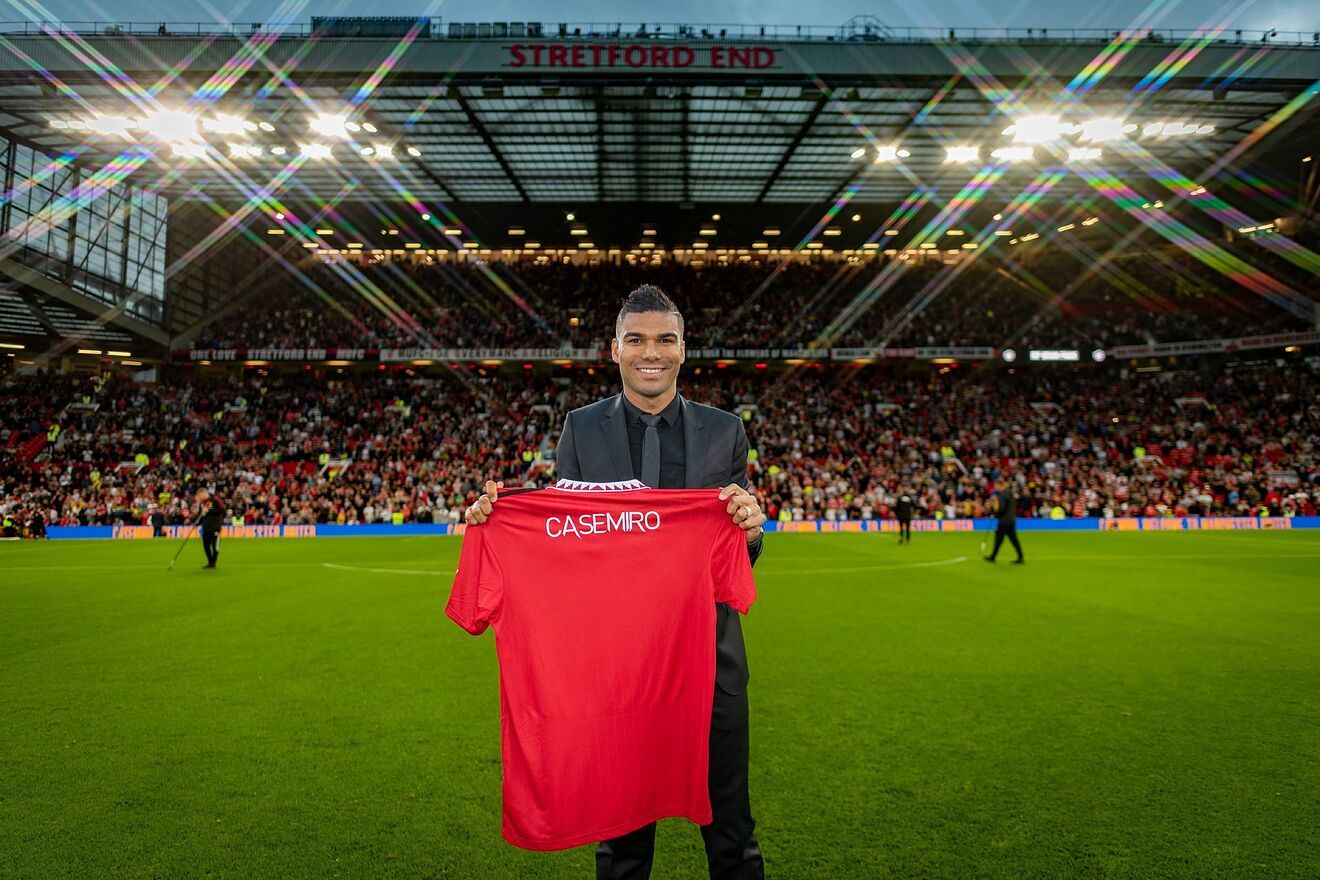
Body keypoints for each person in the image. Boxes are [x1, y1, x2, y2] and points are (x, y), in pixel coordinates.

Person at [465, 284, 767, 880]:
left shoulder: (726, 430)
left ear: (684, 349)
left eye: (665, 340)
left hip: (709, 663)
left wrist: (751, 531)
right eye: (637, 340)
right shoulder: (580, 429)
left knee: (732, 832)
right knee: (622, 844)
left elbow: (733, 552)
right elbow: (567, 540)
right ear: (615, 349)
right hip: (616, 676)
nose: (651, 352)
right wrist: (495, 519)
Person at [984, 478, 1024, 564]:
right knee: (1013, 539)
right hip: (1011, 519)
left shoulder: (1002, 495)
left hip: (1004, 521)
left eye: (996, 486)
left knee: (999, 538)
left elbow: (1001, 509)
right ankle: (1020, 557)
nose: (995, 488)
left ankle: (993, 557)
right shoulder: (1009, 493)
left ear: (1000, 485)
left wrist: (994, 512)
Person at [199, 492, 225, 569]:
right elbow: (201, 515)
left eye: (200, 496)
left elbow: (222, 510)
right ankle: (210, 562)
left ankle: (213, 562)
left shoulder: (215, 500)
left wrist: (209, 511)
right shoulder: (202, 504)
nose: (200, 498)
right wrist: (196, 523)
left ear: (204, 493)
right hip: (206, 528)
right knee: (206, 546)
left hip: (215, 527)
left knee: (215, 547)